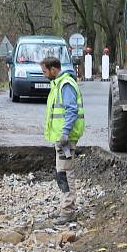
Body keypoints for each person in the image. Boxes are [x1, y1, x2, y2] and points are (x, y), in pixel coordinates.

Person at [40, 56, 85, 225]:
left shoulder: (65, 85)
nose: (44, 75)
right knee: (62, 173)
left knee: (65, 173)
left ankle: (68, 211)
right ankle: (66, 208)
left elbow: (71, 111)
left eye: (45, 71)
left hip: (66, 138)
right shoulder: (58, 84)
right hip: (61, 138)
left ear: (53, 69)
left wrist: (65, 133)